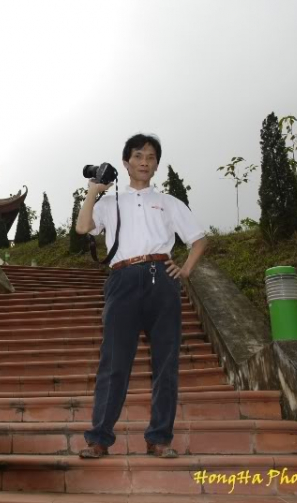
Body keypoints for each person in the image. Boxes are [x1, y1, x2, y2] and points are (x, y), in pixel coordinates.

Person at [74, 133, 208, 459]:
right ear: (126, 162)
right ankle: (99, 438)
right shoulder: (109, 203)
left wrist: (186, 269)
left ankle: (159, 438)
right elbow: (82, 228)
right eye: (138, 156)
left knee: (166, 362)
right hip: (122, 280)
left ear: (156, 165)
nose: (144, 162)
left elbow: (199, 239)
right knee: (114, 362)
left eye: (150, 157)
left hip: (162, 278)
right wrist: (93, 192)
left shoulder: (169, 202)